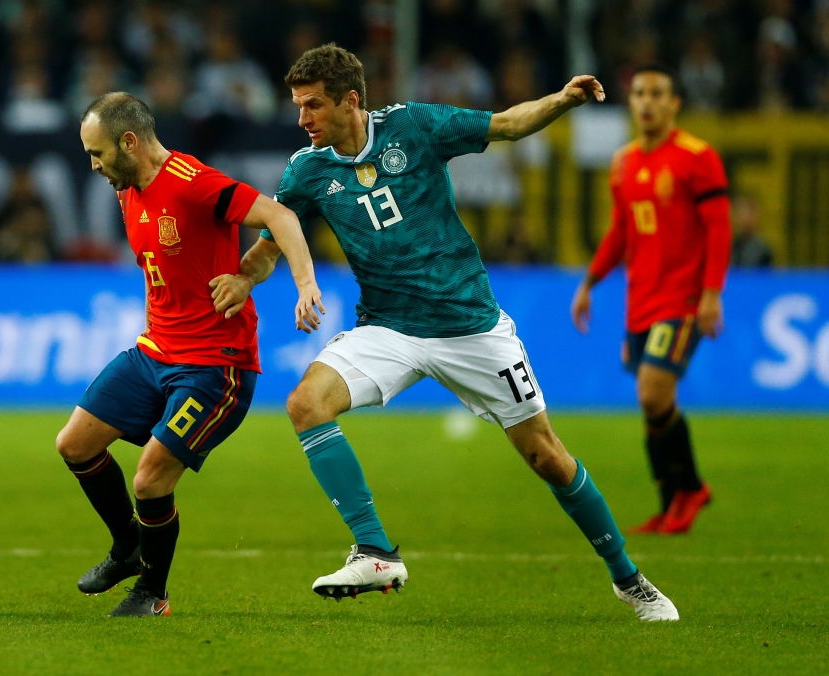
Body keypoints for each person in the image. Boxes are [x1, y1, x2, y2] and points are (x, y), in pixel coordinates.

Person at [218, 44, 678, 621]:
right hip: (388, 326)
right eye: (299, 106)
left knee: (547, 458)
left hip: (470, 326)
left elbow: (508, 125)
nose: (302, 119)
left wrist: (562, 99)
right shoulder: (307, 170)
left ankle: (628, 579)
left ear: (351, 100)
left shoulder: (414, 127)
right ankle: (376, 550)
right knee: (306, 403)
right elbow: (266, 248)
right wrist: (242, 279)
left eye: (312, 106)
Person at [57, 92, 323, 617]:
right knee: (74, 444)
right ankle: (128, 547)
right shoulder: (128, 186)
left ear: (129, 142)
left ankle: (152, 594)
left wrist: (303, 283)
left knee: (151, 476)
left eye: (99, 153)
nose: (94, 166)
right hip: (155, 351)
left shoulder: (194, 183)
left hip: (215, 365)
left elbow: (280, 217)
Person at [571, 64, 731, 536]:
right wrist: (589, 282)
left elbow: (719, 230)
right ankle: (671, 503)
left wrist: (711, 294)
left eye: (657, 93)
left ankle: (693, 488)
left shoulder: (697, 157)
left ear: (674, 104)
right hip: (640, 301)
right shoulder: (623, 163)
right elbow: (621, 232)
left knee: (652, 392)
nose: (645, 101)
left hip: (682, 300)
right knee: (651, 406)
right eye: (638, 92)